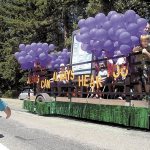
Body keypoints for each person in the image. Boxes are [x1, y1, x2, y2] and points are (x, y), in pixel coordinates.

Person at [132, 35, 150, 99]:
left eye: (147, 41)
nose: (145, 42)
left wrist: (146, 52)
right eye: (143, 41)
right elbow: (134, 53)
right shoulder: (139, 47)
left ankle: (147, 94)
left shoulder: (149, 48)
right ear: (141, 42)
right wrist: (134, 51)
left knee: (146, 79)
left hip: (147, 66)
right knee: (138, 80)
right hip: (138, 66)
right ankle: (140, 95)